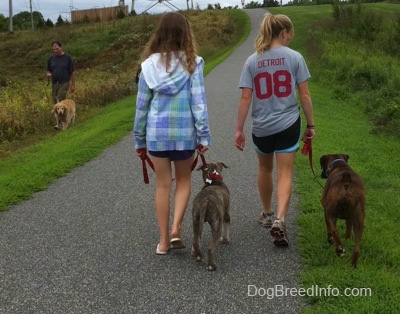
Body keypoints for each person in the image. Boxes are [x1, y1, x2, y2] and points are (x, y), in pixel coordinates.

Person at [133, 12, 211, 255]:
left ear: (160, 34)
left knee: (162, 186)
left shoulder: (147, 67)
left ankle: (164, 241)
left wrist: (139, 139)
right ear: (185, 34)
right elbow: (198, 102)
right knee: (184, 181)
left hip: (157, 134)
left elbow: (142, 106)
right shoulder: (193, 63)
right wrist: (203, 135)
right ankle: (177, 227)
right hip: (184, 134)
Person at [235, 13, 315, 247]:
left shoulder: (252, 60)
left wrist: (238, 130)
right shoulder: (295, 57)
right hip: (288, 123)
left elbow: (245, 97)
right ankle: (281, 218)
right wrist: (311, 125)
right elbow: (305, 95)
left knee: (264, 167)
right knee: (286, 173)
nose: (291, 37)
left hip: (261, 127)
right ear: (284, 33)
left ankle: (268, 213)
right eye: (291, 33)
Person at [46, 41, 76, 105]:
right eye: (54, 49)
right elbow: (48, 70)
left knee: (59, 99)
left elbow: (72, 72)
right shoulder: (51, 58)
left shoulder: (67, 58)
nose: (55, 51)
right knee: (55, 100)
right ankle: (62, 114)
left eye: (57, 49)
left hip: (64, 83)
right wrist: (48, 74)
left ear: (61, 47)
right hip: (55, 83)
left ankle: (61, 114)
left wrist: (73, 85)